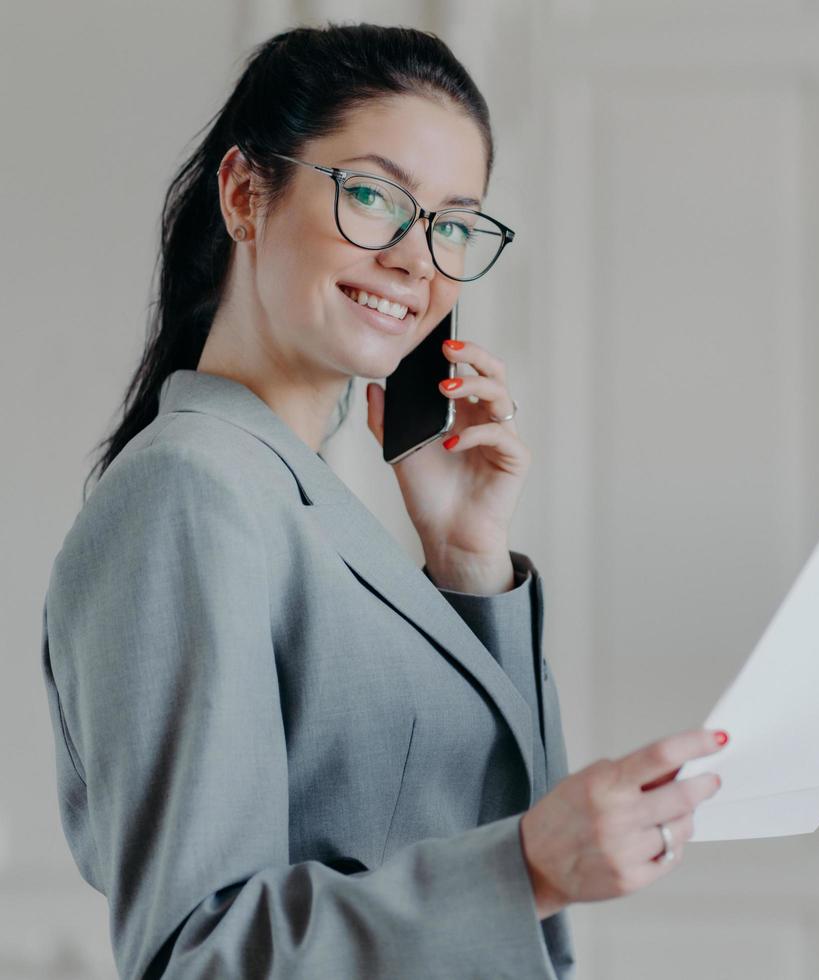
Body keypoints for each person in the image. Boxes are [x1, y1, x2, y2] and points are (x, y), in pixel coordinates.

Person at [38, 22, 726, 979]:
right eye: (373, 195)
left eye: (453, 223)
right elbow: (196, 956)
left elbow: (478, 821)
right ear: (245, 194)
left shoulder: (304, 496)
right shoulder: (190, 492)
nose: (417, 259)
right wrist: (526, 866)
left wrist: (467, 559)